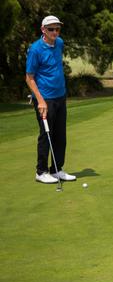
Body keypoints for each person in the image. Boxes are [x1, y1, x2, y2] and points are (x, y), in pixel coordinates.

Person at [25, 15, 76, 184]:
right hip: (45, 99)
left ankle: (56, 170)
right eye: (51, 29)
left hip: (60, 96)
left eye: (57, 29)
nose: (55, 32)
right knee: (46, 135)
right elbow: (29, 77)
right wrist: (40, 100)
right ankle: (41, 172)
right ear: (43, 30)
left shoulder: (59, 43)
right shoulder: (35, 49)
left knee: (60, 135)